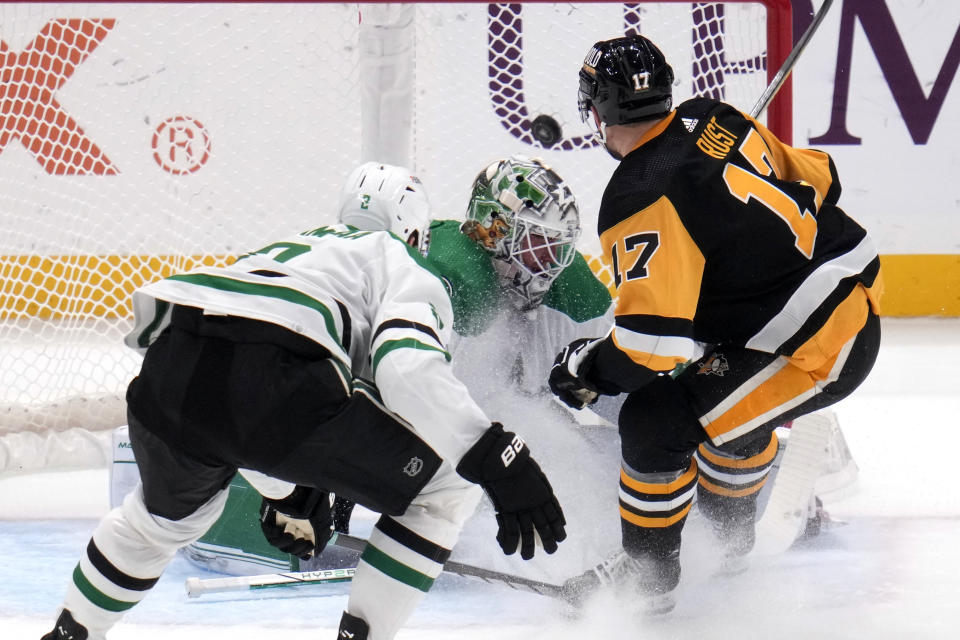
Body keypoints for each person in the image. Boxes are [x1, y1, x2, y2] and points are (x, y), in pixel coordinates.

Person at [40, 166, 568, 640]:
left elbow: (240, 401)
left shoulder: (282, 248)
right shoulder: (404, 263)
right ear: (416, 233)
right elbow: (404, 368)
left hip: (172, 367)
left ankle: (68, 633)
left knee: (159, 523)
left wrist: (290, 493)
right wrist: (496, 456)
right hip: (281, 381)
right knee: (445, 487)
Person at [549, 35, 883, 612]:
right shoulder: (714, 117)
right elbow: (822, 178)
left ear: (598, 107)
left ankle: (647, 576)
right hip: (847, 301)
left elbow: (646, 353)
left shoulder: (639, 195)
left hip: (813, 347)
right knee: (724, 405)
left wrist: (584, 367)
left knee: (655, 422)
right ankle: (729, 544)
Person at [178, 157, 615, 577]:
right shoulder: (449, 277)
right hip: (419, 429)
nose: (550, 261)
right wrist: (312, 480)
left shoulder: (565, 288)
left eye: (557, 245)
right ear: (493, 227)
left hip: (459, 436)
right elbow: (384, 369)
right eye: (537, 242)